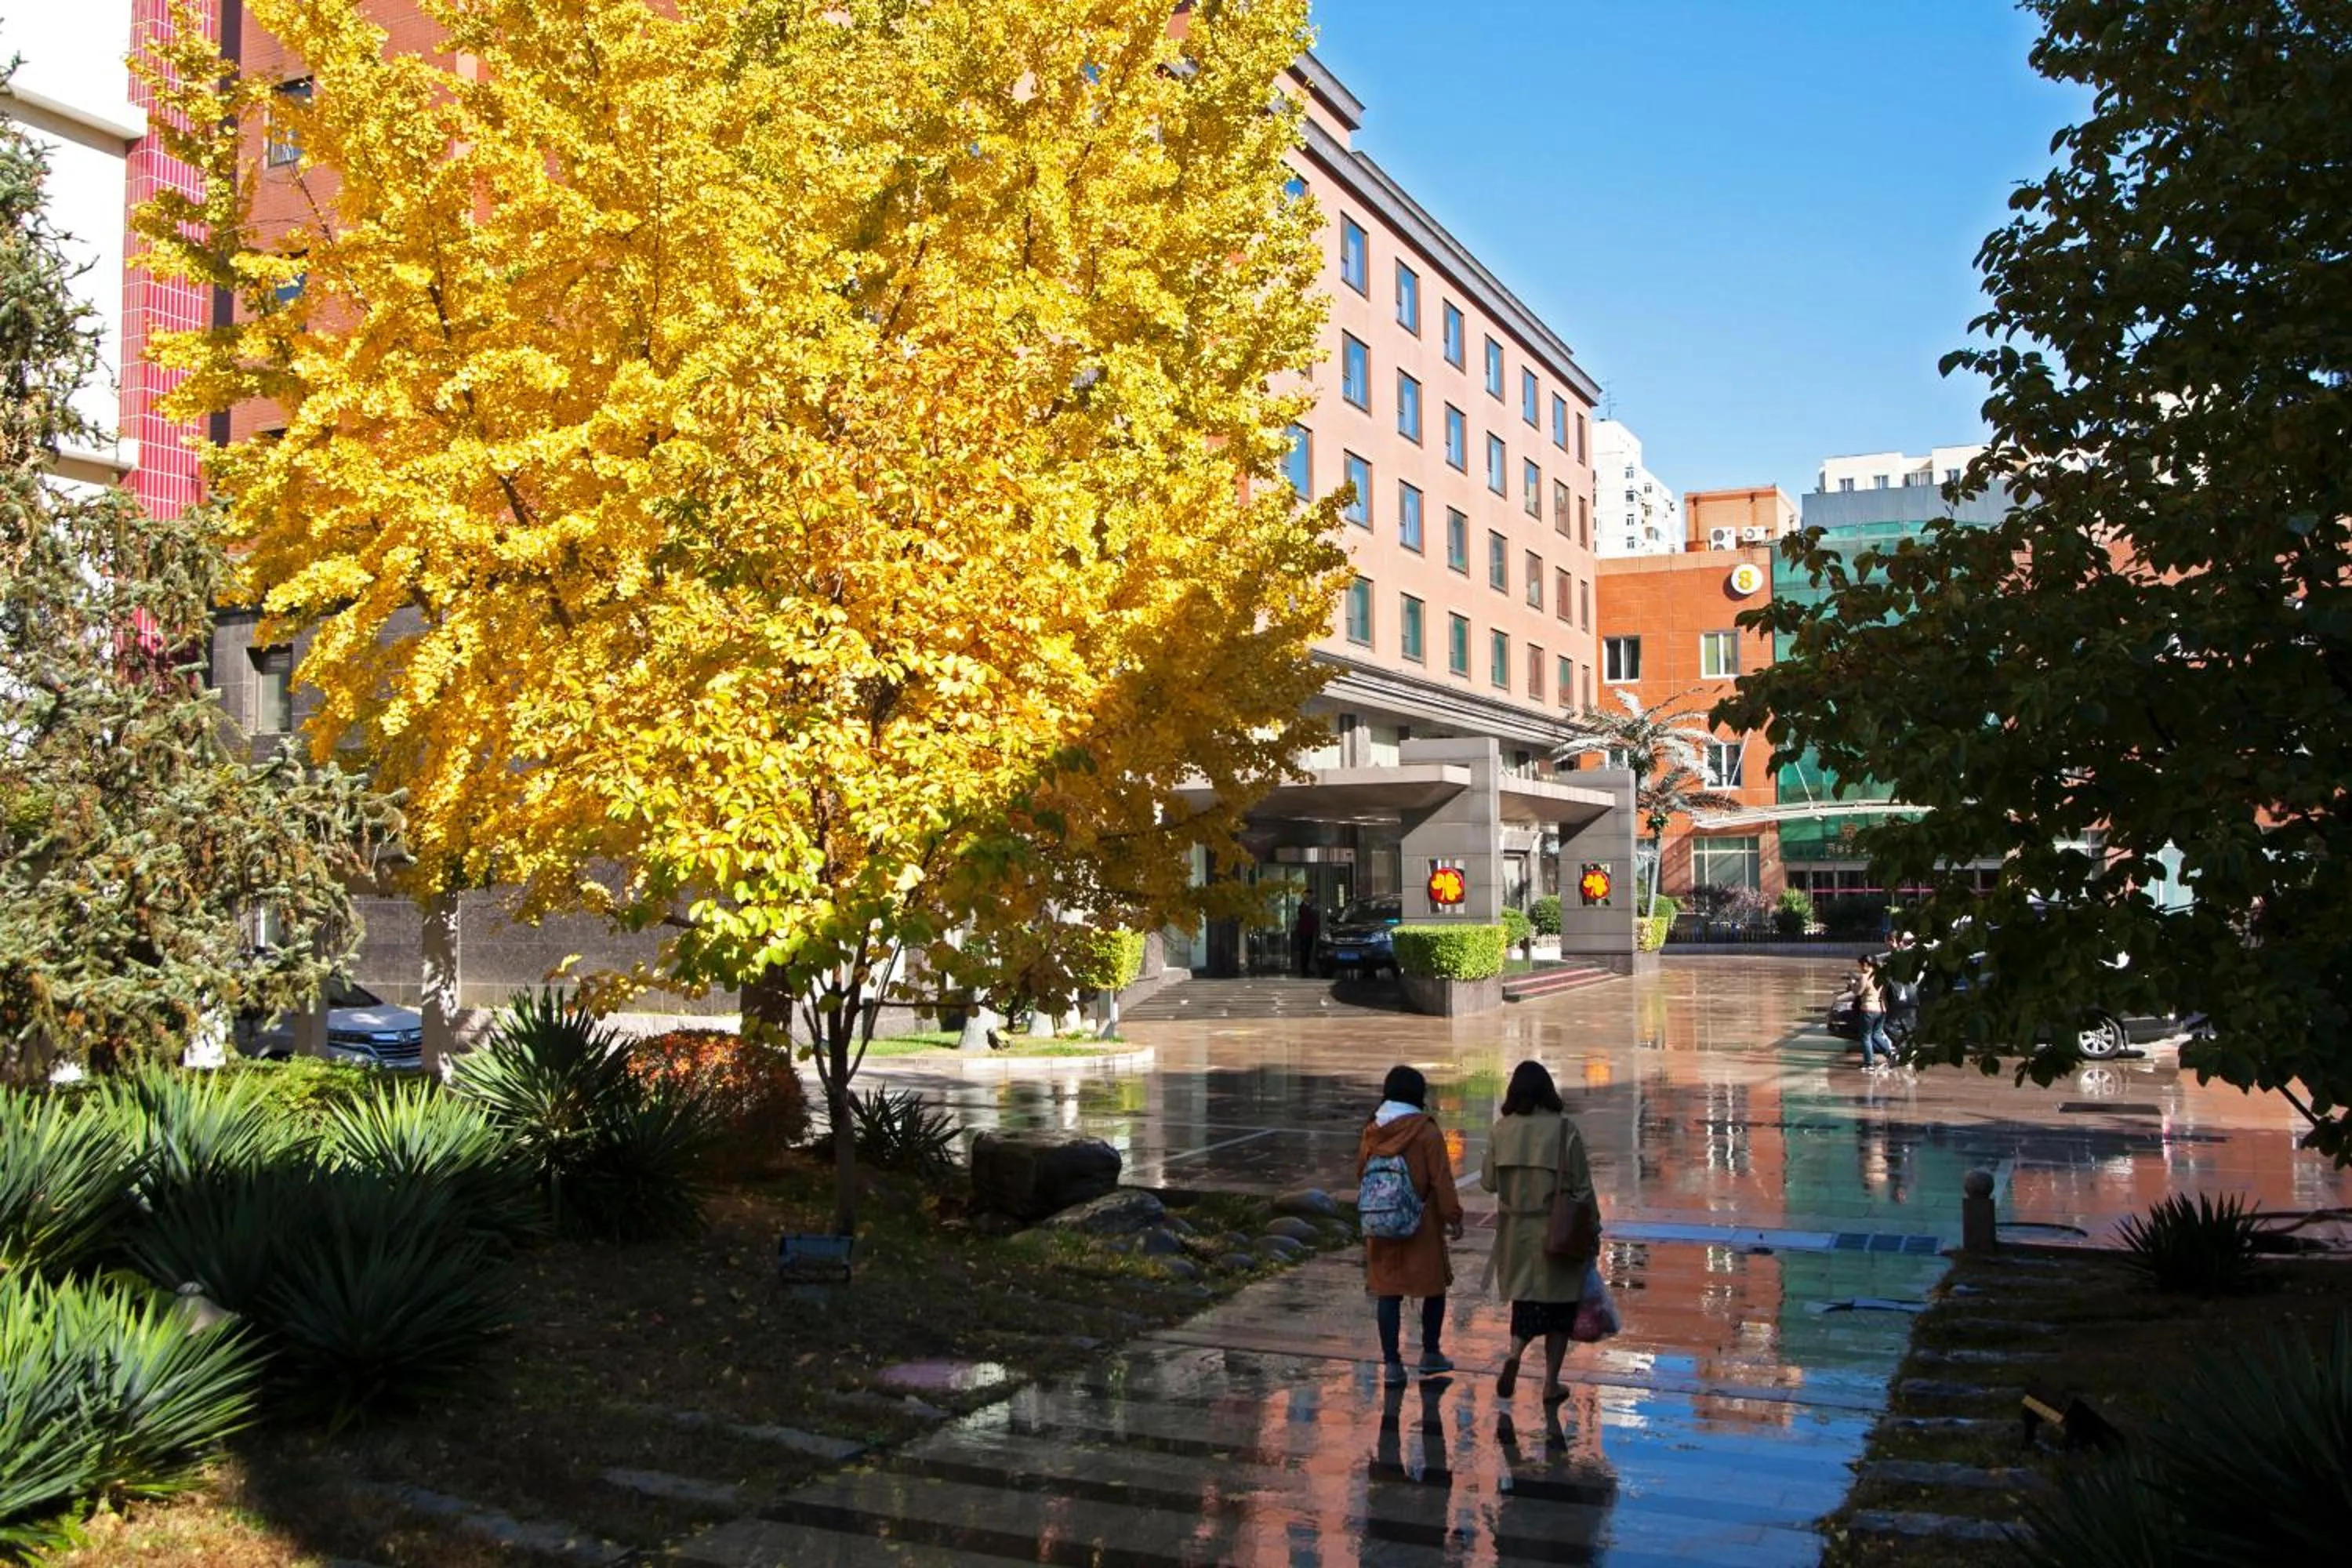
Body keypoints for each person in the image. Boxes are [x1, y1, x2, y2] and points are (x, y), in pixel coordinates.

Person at [1479, 1061, 1595, 1404]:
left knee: (1526, 1302)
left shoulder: (1501, 1130)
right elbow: (1583, 1190)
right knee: (1559, 1311)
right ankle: (1550, 1383)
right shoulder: (1564, 1130)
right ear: (1549, 1091)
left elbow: (1487, 1182)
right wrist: (1593, 1230)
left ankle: (1515, 1352)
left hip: (1516, 1233)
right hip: (1556, 1230)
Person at [1357, 1065, 1465, 1381]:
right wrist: (1453, 1217)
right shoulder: (1426, 1132)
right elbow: (1442, 1181)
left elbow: (1361, 1173)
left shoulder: (1372, 1131)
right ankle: (1430, 1352)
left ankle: (1392, 1364)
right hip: (1422, 1224)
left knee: (1387, 1292)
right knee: (1433, 1288)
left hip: (1381, 1225)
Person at [1855, 954, 1893, 1073]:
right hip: (1882, 1010)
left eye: (1860, 966)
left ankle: (1869, 1063)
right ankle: (1891, 1054)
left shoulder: (1865, 976)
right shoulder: (1881, 976)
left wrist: (1853, 984)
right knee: (1876, 1035)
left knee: (1866, 1037)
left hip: (1868, 1010)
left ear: (1866, 965)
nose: (1860, 968)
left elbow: (1858, 992)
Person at [1294, 900, 1320, 978]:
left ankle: (1306, 968)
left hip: (1309, 932)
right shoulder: (1303, 908)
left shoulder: (1312, 907)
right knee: (1304, 952)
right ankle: (1304, 969)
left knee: (1308, 951)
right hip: (1304, 932)